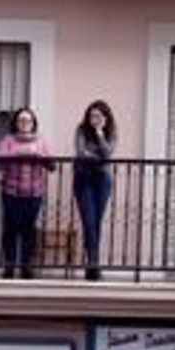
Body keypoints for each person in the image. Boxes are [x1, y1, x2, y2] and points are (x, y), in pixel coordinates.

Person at [0, 107, 56, 279]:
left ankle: (26, 266)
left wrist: (38, 155)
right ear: (16, 122)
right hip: (11, 191)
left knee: (29, 229)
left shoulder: (40, 141)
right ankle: (9, 265)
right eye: (21, 120)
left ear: (33, 123)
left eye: (28, 120)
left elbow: (51, 166)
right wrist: (17, 153)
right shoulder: (8, 140)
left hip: (34, 192)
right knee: (11, 228)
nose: (24, 123)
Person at [72, 101, 117, 280]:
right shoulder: (81, 130)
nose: (94, 119)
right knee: (89, 221)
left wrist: (99, 134)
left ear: (105, 118)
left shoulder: (110, 132)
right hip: (83, 179)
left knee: (96, 221)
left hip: (102, 181)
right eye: (92, 115)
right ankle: (93, 263)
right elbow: (81, 153)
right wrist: (99, 158)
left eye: (98, 116)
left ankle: (92, 263)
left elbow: (108, 153)